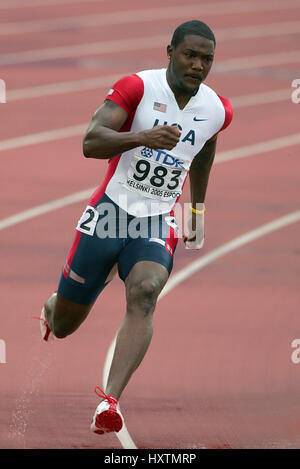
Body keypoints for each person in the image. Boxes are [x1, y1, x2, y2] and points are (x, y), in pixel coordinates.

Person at [38, 20, 233, 435]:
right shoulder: (137, 88)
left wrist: (195, 211)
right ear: (170, 51)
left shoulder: (218, 110)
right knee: (65, 325)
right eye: (190, 55)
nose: (198, 65)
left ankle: (110, 402)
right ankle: (54, 306)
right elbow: (91, 141)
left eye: (207, 59)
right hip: (110, 212)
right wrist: (143, 137)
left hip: (159, 217)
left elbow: (203, 150)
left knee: (145, 293)